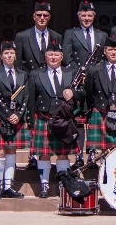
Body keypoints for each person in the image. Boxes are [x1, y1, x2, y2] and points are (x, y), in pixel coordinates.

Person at [27, 41, 80, 198]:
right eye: (50, 54)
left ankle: (62, 185)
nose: (53, 57)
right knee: (44, 154)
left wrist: (74, 93)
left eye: (57, 54)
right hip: (44, 117)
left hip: (63, 120)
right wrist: (30, 121)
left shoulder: (71, 73)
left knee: (63, 154)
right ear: (45, 57)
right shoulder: (36, 74)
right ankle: (44, 185)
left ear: (62, 57)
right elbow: (31, 98)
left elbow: (82, 94)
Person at [15, 1, 63, 170]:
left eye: (45, 16)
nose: (42, 18)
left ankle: (41, 154)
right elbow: (18, 64)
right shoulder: (22, 36)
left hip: (49, 85)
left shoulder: (56, 36)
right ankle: (32, 156)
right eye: (39, 15)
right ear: (33, 16)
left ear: (49, 18)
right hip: (30, 82)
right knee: (32, 118)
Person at [61, 0, 108, 170]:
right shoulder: (70, 33)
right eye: (83, 15)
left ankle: (94, 154)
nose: (86, 18)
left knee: (95, 119)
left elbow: (104, 58)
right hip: (78, 81)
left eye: (89, 15)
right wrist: (79, 74)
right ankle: (79, 155)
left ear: (94, 16)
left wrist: (93, 74)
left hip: (97, 82)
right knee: (79, 121)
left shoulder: (102, 35)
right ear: (78, 16)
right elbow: (67, 57)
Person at [0, 41, 29, 199]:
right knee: (0, 151)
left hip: (16, 117)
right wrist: (6, 114)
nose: (9, 56)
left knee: (12, 151)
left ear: (15, 56)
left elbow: (26, 97)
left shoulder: (23, 74)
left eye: (12, 53)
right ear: (1, 56)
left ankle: (8, 186)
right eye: (6, 53)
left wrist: (19, 114)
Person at [84, 36, 116, 166]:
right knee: (103, 150)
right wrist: (92, 111)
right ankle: (104, 178)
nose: (113, 52)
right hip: (101, 112)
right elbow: (88, 93)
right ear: (104, 51)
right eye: (110, 50)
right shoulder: (94, 70)